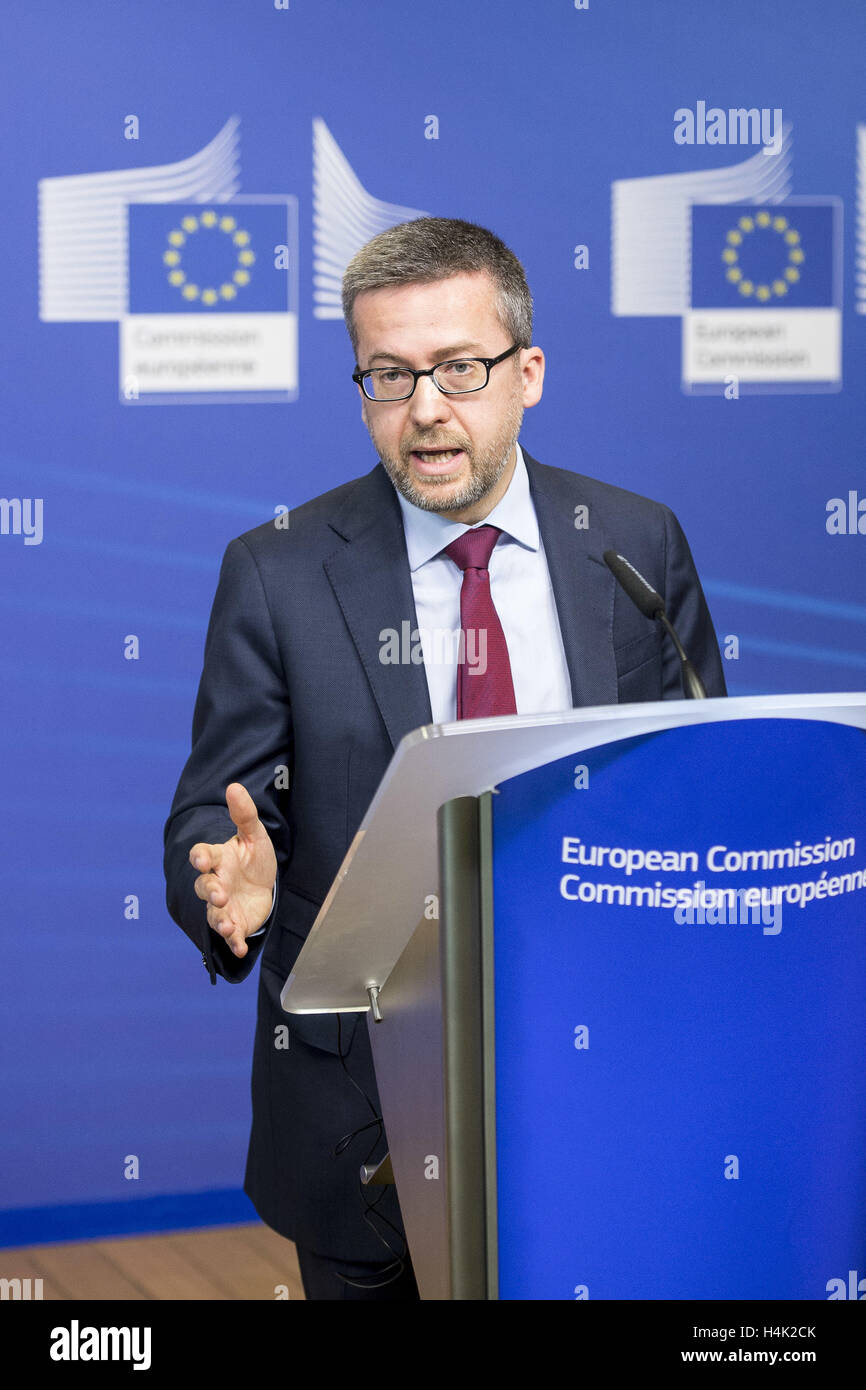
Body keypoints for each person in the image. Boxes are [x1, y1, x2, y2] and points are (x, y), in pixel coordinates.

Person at [163, 217, 726, 1301]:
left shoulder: (631, 544)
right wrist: (229, 891)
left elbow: (691, 788)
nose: (424, 407)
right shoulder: (278, 573)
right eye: (387, 375)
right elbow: (213, 817)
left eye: (458, 369)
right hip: (364, 1111)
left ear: (527, 373)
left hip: (604, 1078)